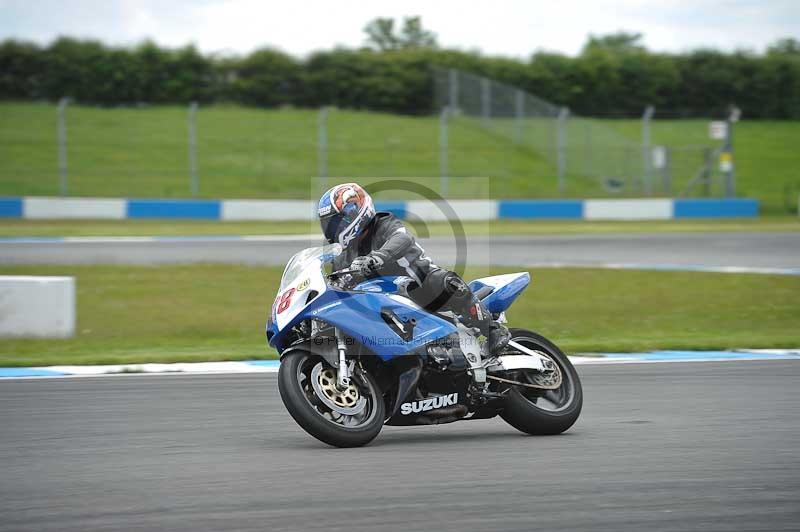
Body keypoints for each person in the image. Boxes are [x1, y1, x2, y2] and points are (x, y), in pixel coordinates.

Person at [317, 182, 510, 355]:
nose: (333, 229)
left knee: (441, 282)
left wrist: (375, 258)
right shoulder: (342, 256)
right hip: (382, 305)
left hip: (420, 288)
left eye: (337, 222)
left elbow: (402, 238)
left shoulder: (383, 223)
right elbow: (335, 285)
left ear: (354, 211)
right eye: (329, 224)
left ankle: (493, 329)